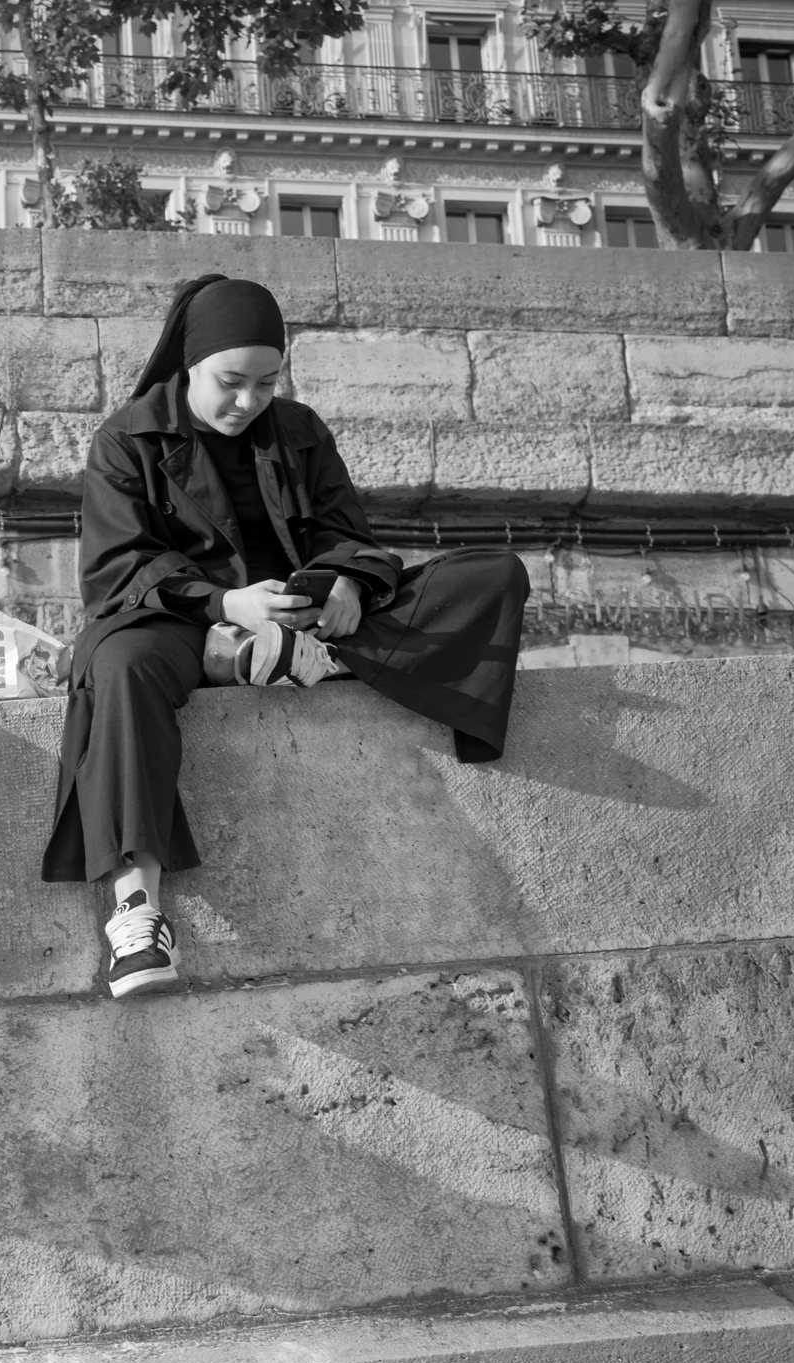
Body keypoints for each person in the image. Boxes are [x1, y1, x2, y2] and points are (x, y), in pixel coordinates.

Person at [42, 274, 528, 999]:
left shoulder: (300, 430)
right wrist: (226, 601)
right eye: (231, 383)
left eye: (266, 384)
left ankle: (295, 655)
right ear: (190, 363)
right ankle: (136, 912)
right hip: (184, 620)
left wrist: (347, 583)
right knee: (120, 663)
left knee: (493, 575)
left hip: (301, 616)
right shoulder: (125, 438)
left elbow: (346, 532)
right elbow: (118, 568)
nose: (248, 403)